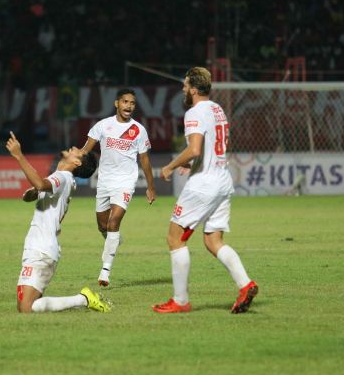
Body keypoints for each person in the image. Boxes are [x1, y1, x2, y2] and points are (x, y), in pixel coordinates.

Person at [152, 67, 258, 314]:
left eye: (186, 85)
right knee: (213, 240)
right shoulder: (217, 109)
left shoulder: (194, 112)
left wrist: (171, 165)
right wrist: (191, 163)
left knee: (174, 238)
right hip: (222, 180)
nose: (183, 89)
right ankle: (246, 284)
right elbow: (207, 148)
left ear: (194, 89)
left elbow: (195, 148)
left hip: (204, 185)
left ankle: (180, 301)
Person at [6, 131, 110, 313]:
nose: (75, 148)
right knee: (27, 307)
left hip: (41, 249)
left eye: (79, 151)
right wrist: (36, 193)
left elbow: (40, 184)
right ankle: (83, 299)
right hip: (42, 247)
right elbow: (39, 189)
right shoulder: (64, 178)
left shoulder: (62, 177)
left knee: (26, 308)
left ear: (77, 162)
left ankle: (83, 299)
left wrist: (19, 155)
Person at [81, 88, 156, 287]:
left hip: (125, 182)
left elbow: (145, 160)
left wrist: (151, 187)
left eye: (132, 103)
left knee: (114, 223)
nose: (128, 106)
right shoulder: (103, 126)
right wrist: (70, 166)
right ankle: (114, 240)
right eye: (125, 102)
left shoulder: (139, 130)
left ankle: (105, 271)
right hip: (104, 181)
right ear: (117, 104)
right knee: (103, 226)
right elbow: (85, 150)